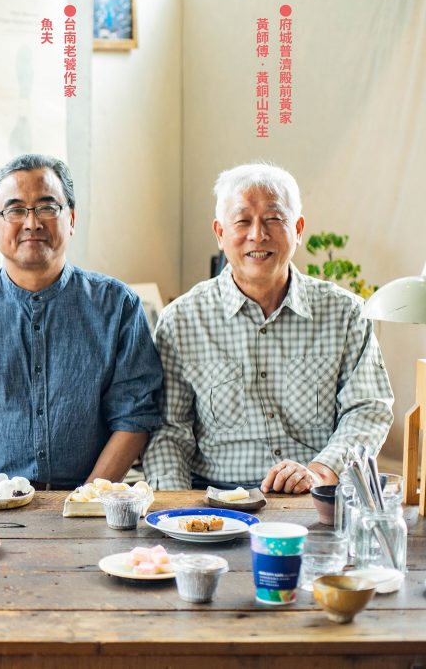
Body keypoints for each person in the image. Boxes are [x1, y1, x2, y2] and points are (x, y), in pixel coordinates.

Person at [142, 163, 394, 494]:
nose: (258, 234)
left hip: (316, 498)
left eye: (274, 219)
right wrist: (176, 509)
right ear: (219, 233)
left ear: (299, 228)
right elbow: (169, 432)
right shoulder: (181, 321)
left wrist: (320, 471)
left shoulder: (345, 314)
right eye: (243, 220)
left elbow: (368, 408)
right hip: (217, 503)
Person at [0, 154, 163, 489]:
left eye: (47, 208)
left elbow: (135, 415)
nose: (32, 223)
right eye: (15, 210)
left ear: (72, 219)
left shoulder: (118, 306)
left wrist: (89, 500)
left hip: (91, 502)